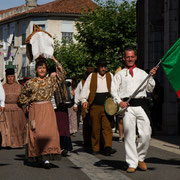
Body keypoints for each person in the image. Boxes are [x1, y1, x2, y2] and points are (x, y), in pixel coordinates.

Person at [111, 48, 158, 173]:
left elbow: (150, 88)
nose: (130, 59)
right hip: (127, 107)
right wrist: (118, 101)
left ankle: (140, 158)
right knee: (129, 135)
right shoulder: (119, 75)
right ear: (124, 58)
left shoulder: (142, 73)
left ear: (135, 58)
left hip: (142, 105)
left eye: (132, 57)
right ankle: (132, 162)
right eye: (128, 57)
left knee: (146, 133)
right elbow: (113, 91)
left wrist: (151, 76)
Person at [18, 57, 66, 169]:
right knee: (37, 134)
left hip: (48, 109)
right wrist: (27, 104)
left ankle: (47, 159)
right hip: (36, 110)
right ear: (36, 70)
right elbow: (22, 96)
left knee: (49, 134)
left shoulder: (51, 80)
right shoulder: (31, 83)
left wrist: (54, 60)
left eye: (44, 68)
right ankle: (39, 156)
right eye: (40, 68)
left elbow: (62, 74)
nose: (42, 70)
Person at [80, 58, 115, 156]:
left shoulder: (110, 76)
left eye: (104, 66)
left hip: (107, 106)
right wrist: (84, 100)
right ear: (98, 67)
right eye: (101, 67)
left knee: (107, 127)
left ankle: (108, 147)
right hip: (95, 106)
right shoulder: (92, 76)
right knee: (95, 128)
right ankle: (95, 147)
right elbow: (86, 89)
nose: (103, 69)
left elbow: (114, 89)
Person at [0, 68, 26, 148]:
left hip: (17, 109)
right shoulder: (3, 87)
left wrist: (24, 107)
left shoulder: (20, 87)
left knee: (17, 127)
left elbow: (24, 98)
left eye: (12, 76)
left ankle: (18, 143)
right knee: (7, 128)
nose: (10, 78)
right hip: (6, 110)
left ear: (14, 77)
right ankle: (7, 144)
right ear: (6, 77)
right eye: (8, 76)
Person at [49, 67, 73, 156]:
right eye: (53, 77)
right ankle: (55, 147)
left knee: (64, 129)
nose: (54, 79)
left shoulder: (63, 85)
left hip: (62, 109)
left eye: (56, 77)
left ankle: (64, 147)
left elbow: (68, 96)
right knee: (55, 129)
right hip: (52, 110)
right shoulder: (48, 86)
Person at [73, 67, 94, 148]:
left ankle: (95, 141)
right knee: (86, 124)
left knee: (95, 124)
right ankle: (86, 141)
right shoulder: (82, 83)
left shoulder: (97, 82)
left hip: (94, 105)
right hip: (85, 105)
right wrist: (75, 104)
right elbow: (77, 94)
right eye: (89, 74)